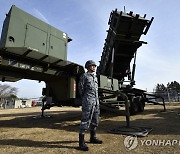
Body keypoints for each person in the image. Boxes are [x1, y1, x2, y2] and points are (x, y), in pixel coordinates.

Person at [78, 60, 102, 151]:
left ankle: (93, 138)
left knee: (95, 120)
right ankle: (81, 143)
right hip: (88, 102)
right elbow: (81, 89)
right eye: (92, 66)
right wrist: (86, 98)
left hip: (96, 102)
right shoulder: (84, 76)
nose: (94, 67)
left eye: (94, 66)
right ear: (88, 67)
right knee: (85, 121)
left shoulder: (95, 77)